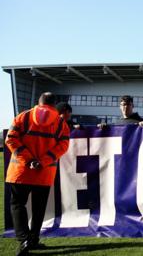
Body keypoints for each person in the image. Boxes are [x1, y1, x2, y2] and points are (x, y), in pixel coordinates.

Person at [5, 92, 70, 255]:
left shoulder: (23, 117)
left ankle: (24, 239)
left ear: (38, 102)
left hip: (20, 172)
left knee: (18, 205)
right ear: (54, 104)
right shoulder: (61, 123)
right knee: (39, 208)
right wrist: (42, 161)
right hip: (44, 173)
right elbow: (63, 146)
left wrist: (28, 160)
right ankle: (33, 240)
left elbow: (10, 139)